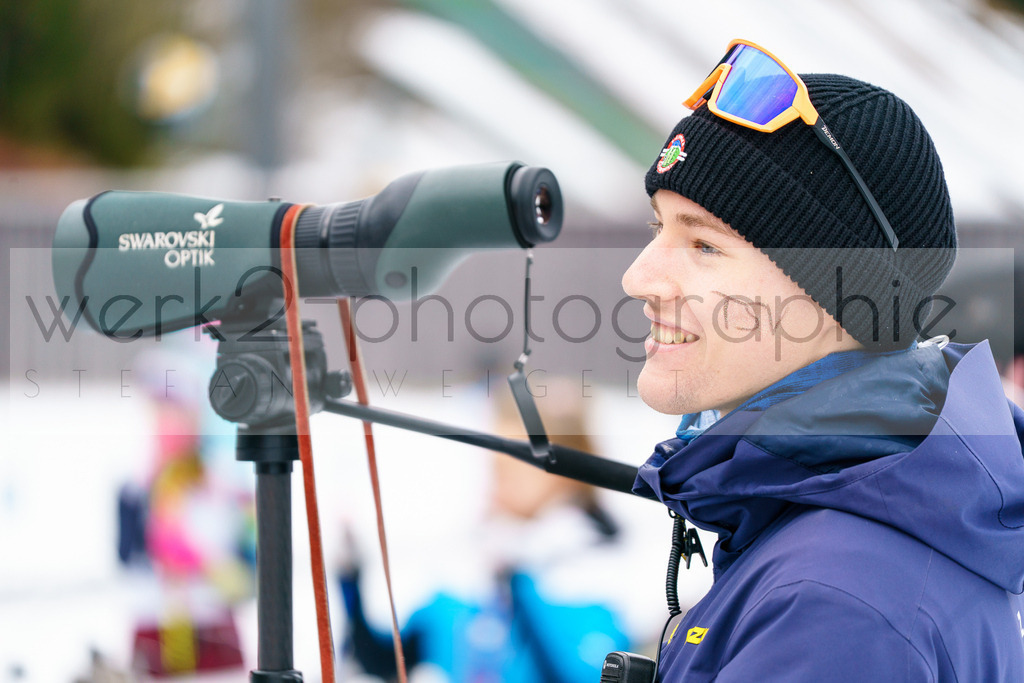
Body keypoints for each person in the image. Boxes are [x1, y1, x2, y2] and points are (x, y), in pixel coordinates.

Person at [621, 39, 1024, 681]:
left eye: (704, 245)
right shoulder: (838, 539)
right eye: (656, 230)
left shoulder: (834, 605)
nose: (640, 278)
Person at [338, 380, 645, 682]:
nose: (497, 480)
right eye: (494, 466)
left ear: (567, 474)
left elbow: (580, 674)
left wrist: (517, 584)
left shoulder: (598, 572)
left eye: (514, 466)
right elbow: (386, 661)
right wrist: (352, 583)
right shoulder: (472, 571)